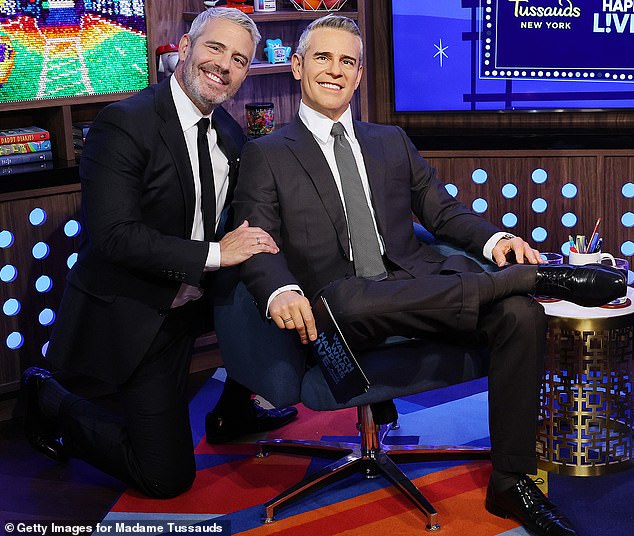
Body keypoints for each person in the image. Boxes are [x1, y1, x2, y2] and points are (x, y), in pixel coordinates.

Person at [231, 15, 625, 536]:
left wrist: (495, 241)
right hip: (336, 312)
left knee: (518, 316)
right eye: (322, 58)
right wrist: (280, 289)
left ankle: (511, 481)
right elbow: (255, 239)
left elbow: (442, 213)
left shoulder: (391, 140)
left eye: (347, 61)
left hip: (419, 289)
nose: (335, 71)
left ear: (357, 76)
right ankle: (537, 278)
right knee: (347, 301)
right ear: (297, 65)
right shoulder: (266, 153)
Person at [20, 8, 297, 499]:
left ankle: (233, 408)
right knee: (164, 478)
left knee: (280, 292)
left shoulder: (230, 134)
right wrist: (215, 253)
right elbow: (112, 236)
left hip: (195, 303)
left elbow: (237, 223)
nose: (224, 65)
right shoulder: (124, 123)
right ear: (185, 47)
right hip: (141, 312)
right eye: (215, 48)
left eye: (239, 59)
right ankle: (48, 398)